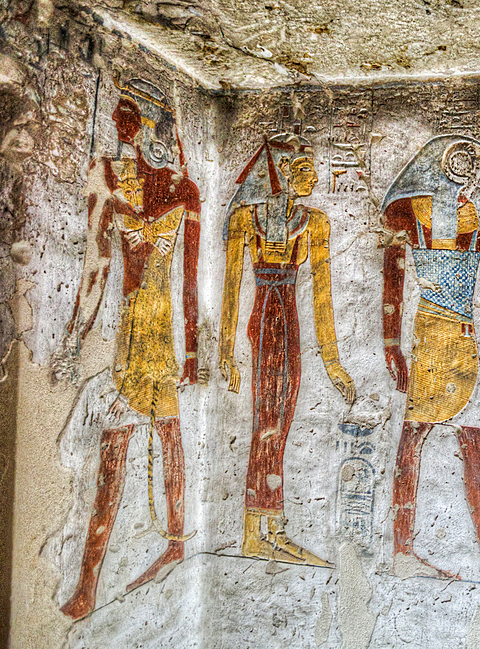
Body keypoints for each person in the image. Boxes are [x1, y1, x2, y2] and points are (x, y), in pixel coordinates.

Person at [58, 79, 201, 620]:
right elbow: (95, 264)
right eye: (119, 113)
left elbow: (190, 280)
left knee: (167, 433)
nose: (120, 123)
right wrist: (77, 335)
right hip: (129, 337)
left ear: (151, 123)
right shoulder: (108, 176)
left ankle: (174, 542)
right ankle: (90, 580)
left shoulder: (184, 190)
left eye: (129, 114)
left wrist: (192, 353)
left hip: (163, 338)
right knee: (115, 450)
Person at [382, 135, 480, 585]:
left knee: (474, 446)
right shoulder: (408, 214)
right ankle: (402, 550)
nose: (474, 168)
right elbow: (393, 284)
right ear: (442, 163)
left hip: (467, 341)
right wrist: (392, 346)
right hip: (430, 336)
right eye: (464, 158)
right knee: (413, 439)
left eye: (477, 161)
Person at [220, 126, 355, 567]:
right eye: (303, 168)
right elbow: (230, 288)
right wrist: (224, 350)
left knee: (281, 421)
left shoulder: (315, 222)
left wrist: (332, 360)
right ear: (279, 173)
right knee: (266, 423)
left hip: (290, 324)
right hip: (264, 324)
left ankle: (270, 528)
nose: (313, 177)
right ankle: (255, 531)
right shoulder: (246, 220)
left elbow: (322, 295)